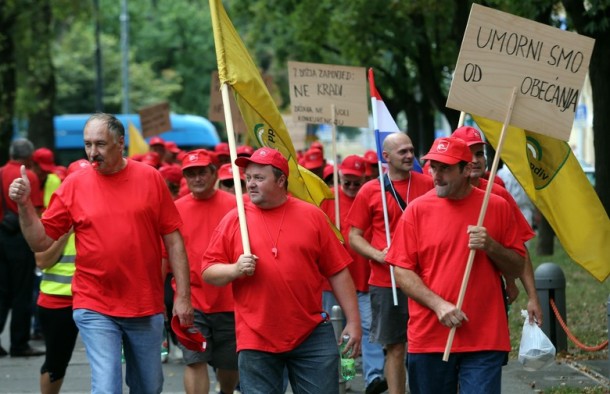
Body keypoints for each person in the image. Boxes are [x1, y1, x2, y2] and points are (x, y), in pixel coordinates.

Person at [8, 113, 194, 393]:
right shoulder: (74, 184)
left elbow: (174, 240)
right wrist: (24, 207)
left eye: (100, 144)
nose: (93, 153)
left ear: (121, 143)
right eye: (87, 145)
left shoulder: (150, 178)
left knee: (149, 386)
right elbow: (41, 242)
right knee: (107, 386)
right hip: (94, 303)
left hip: (144, 303)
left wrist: (182, 296)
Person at [202, 147, 362, 394]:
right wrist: (235, 269)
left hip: (310, 332)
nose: (251, 184)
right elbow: (208, 271)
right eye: (249, 178)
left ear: (281, 180)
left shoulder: (312, 216)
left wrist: (353, 321)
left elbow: (338, 270)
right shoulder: (237, 218)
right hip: (256, 335)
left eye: (259, 178)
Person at [385, 137, 526, 394]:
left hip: (484, 338)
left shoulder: (496, 206)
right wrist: (439, 305)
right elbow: (401, 271)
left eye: (445, 168)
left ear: (465, 169)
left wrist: (491, 246)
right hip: (429, 338)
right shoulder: (417, 210)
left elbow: (517, 267)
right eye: (433, 167)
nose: (436, 176)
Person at [348, 133, 433, 394]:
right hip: (387, 282)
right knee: (395, 346)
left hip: (426, 278)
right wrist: (378, 254)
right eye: (402, 152)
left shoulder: (429, 184)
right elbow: (354, 237)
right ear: (386, 157)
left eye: (411, 150)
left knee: (426, 346)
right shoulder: (369, 190)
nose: (409, 156)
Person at [451, 126, 541, 325]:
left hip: (489, 296)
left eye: (479, 154)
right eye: (468, 153)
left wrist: (532, 297)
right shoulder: (438, 192)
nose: (475, 160)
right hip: (448, 299)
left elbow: (518, 246)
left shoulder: (497, 191)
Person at [320, 155, 388, 394]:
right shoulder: (328, 199)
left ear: (364, 178)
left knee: (369, 328)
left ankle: (374, 378)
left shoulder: (370, 198)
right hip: (332, 282)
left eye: (355, 183)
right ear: (340, 177)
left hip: (363, 279)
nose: (350, 187)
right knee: (336, 331)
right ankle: (346, 375)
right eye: (346, 182)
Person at [174, 149, 239, 394]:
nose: (197, 178)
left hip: (230, 299)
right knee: (194, 359)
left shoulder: (236, 206)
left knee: (229, 362)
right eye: (191, 174)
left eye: (202, 172)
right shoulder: (175, 209)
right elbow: (164, 255)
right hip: (192, 300)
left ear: (214, 174)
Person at [34, 159, 90, 394]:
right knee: (56, 363)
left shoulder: (106, 211)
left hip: (97, 300)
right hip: (58, 300)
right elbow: (42, 261)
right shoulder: (54, 213)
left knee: (107, 363)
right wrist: (66, 233)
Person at [0, 138, 45, 358]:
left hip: (1, 235)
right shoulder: (29, 176)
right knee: (22, 291)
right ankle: (19, 343)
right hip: (20, 236)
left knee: (2, 290)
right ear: (29, 156)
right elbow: (34, 210)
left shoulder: (0, 173)